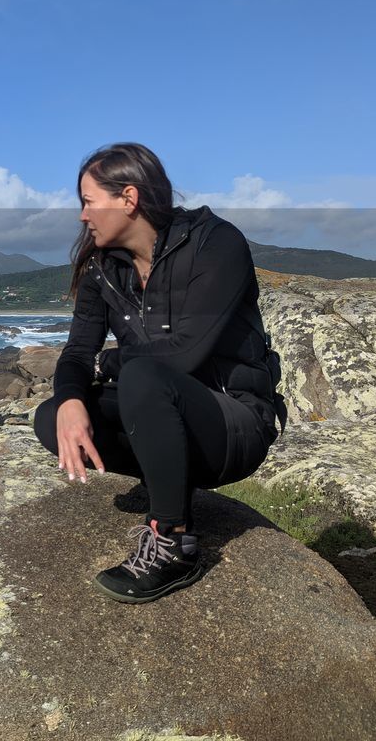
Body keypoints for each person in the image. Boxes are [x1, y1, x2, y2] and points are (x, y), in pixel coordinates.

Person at [33, 141, 280, 604]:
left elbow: (184, 354)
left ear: (128, 198)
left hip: (233, 423)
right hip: (164, 413)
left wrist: (109, 364)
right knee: (51, 418)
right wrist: (70, 399)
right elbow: (76, 353)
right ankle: (164, 471)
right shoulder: (102, 270)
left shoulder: (215, 243)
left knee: (144, 374)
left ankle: (175, 543)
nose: (82, 216)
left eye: (88, 202)